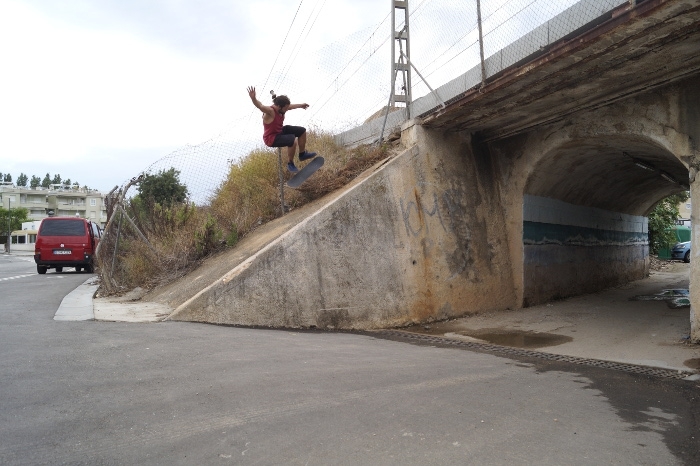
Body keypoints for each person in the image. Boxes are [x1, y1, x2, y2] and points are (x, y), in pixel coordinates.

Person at [247, 86, 316, 173]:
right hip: (271, 138)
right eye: (286, 108)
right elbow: (260, 106)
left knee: (302, 130)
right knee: (292, 140)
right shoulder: (270, 111)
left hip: (279, 132)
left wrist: (301, 105)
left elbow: (290, 106)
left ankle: (302, 154)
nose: (287, 109)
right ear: (279, 106)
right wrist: (253, 98)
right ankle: (290, 163)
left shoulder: (282, 108)